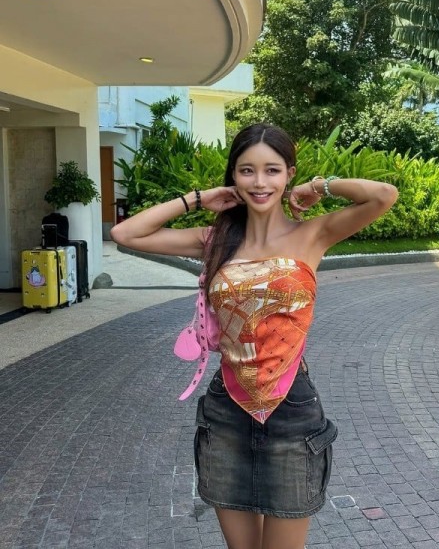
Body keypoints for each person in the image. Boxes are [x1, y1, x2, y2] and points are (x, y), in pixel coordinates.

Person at [111, 123, 398, 549]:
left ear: (288, 175)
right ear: (233, 176)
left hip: (291, 409)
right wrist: (198, 199)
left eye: (272, 170)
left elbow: (383, 195)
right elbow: (125, 234)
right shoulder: (214, 240)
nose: (260, 182)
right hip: (226, 409)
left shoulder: (312, 234)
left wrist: (319, 186)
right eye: (247, 170)